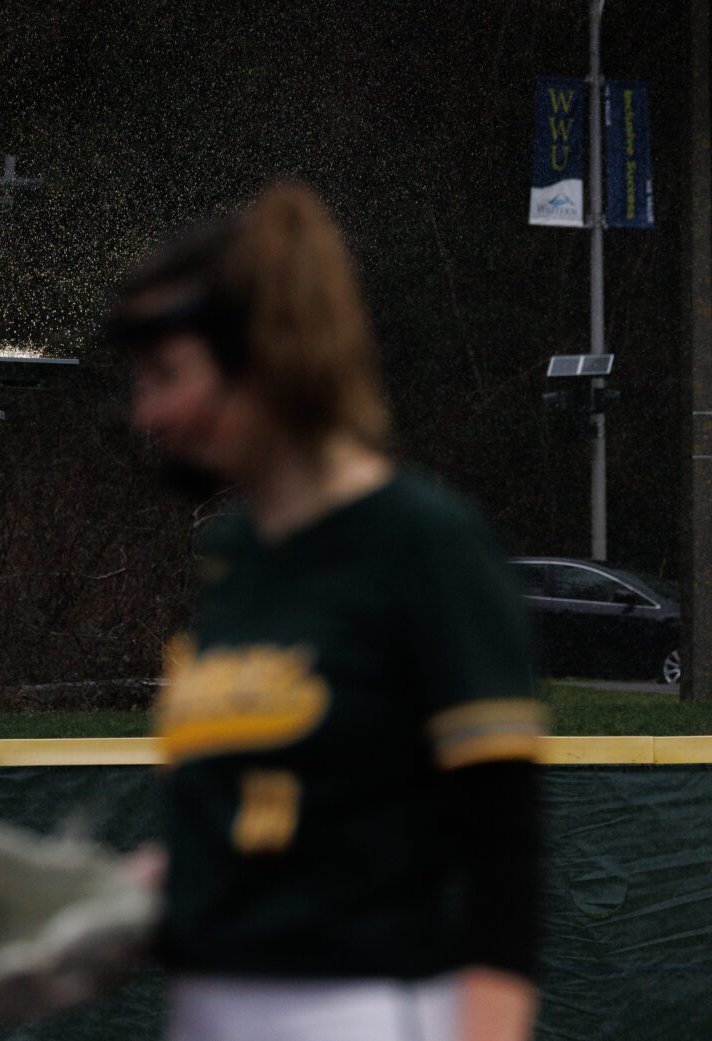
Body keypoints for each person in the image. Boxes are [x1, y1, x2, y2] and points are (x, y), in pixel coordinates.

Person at [106, 181, 546, 1041]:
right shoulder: (233, 559)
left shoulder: (421, 541)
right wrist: (128, 903)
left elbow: (502, 850)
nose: (147, 411)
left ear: (266, 353)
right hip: (206, 1008)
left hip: (364, 1009)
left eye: (166, 375)